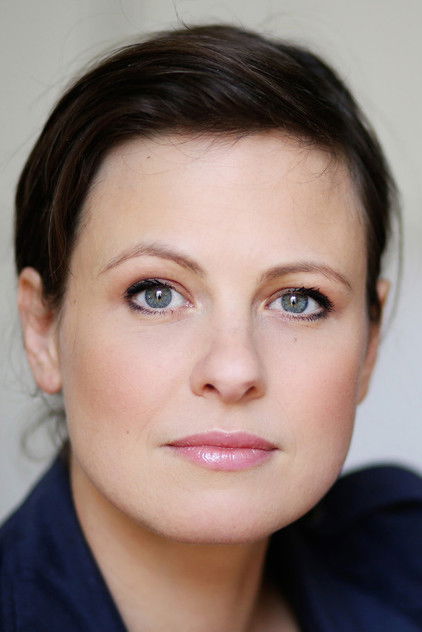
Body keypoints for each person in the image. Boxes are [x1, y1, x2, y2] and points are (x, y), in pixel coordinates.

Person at [1, 23, 421, 632]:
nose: (233, 369)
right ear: (42, 330)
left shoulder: (402, 565)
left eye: (299, 300)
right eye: (156, 293)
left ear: (369, 346)